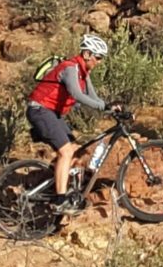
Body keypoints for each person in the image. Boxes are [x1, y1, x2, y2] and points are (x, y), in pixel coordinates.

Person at [25, 34, 116, 200]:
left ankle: (57, 181)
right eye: (98, 57)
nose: (100, 62)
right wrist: (103, 107)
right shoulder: (70, 68)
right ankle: (60, 198)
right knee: (66, 152)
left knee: (74, 150)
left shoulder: (84, 73)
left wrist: (112, 108)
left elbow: (93, 97)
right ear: (87, 54)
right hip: (40, 110)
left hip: (52, 113)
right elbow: (77, 94)